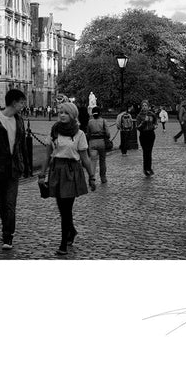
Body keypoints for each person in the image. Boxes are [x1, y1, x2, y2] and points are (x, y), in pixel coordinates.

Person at [44, 100, 96, 256]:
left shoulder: (79, 134)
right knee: (63, 209)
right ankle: (71, 231)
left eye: (66, 112)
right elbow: (47, 155)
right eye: (60, 112)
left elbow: (85, 158)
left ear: (73, 115)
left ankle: (63, 244)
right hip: (57, 170)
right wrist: (41, 174)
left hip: (72, 171)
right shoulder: (54, 131)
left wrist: (91, 176)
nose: (62, 115)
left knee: (66, 209)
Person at [0, 88, 30, 250]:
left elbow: (22, 145)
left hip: (14, 169)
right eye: (22, 102)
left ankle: (8, 235)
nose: (24, 105)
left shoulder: (19, 120)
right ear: (14, 102)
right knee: (2, 203)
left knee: (10, 203)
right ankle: (5, 229)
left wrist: (26, 166)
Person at [85, 107, 111, 184]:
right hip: (102, 142)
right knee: (102, 161)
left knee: (93, 161)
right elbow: (108, 133)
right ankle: (103, 177)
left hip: (92, 142)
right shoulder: (103, 121)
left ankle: (92, 178)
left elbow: (88, 133)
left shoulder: (90, 122)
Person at [135, 99, 159, 176]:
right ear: (141, 107)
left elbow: (155, 122)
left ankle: (149, 168)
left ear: (148, 107)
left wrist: (154, 126)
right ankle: (146, 168)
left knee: (149, 151)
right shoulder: (139, 116)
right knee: (145, 152)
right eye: (143, 106)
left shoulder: (152, 114)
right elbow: (138, 127)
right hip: (143, 134)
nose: (144, 107)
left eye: (146, 106)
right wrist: (143, 122)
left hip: (151, 134)